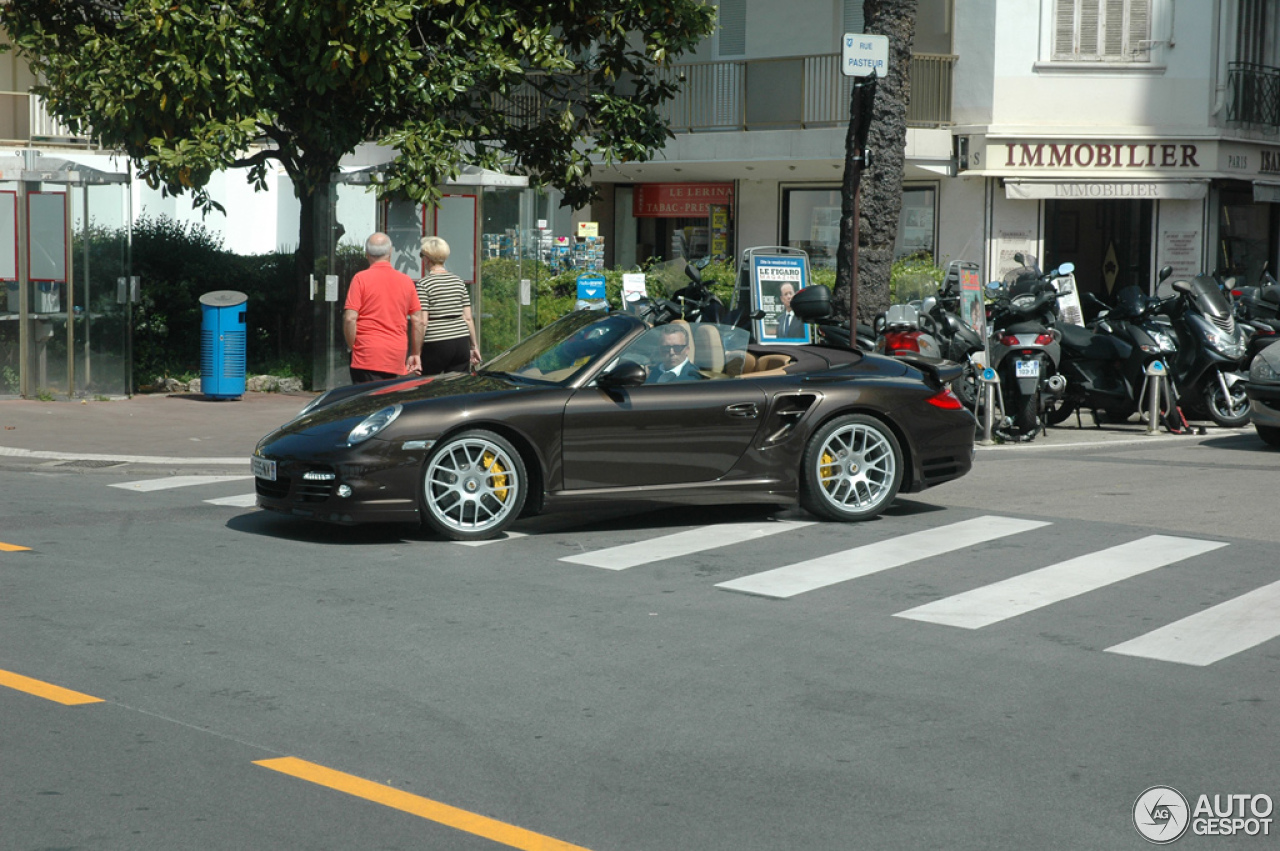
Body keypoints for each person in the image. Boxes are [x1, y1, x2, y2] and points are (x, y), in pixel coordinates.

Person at [343, 232, 423, 383]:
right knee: (389, 400)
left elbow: (350, 318)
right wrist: (415, 353)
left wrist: (352, 345)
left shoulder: (360, 279)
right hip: (396, 353)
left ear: (366, 254)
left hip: (366, 352)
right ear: (390, 252)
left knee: (366, 402)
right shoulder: (406, 281)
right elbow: (418, 320)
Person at [417, 235, 480, 375]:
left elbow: (423, 321)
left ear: (427, 259)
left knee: (429, 386)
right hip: (460, 341)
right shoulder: (458, 282)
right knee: (457, 386)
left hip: (436, 341)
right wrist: (473, 346)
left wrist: (417, 352)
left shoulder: (424, 284)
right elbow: (468, 318)